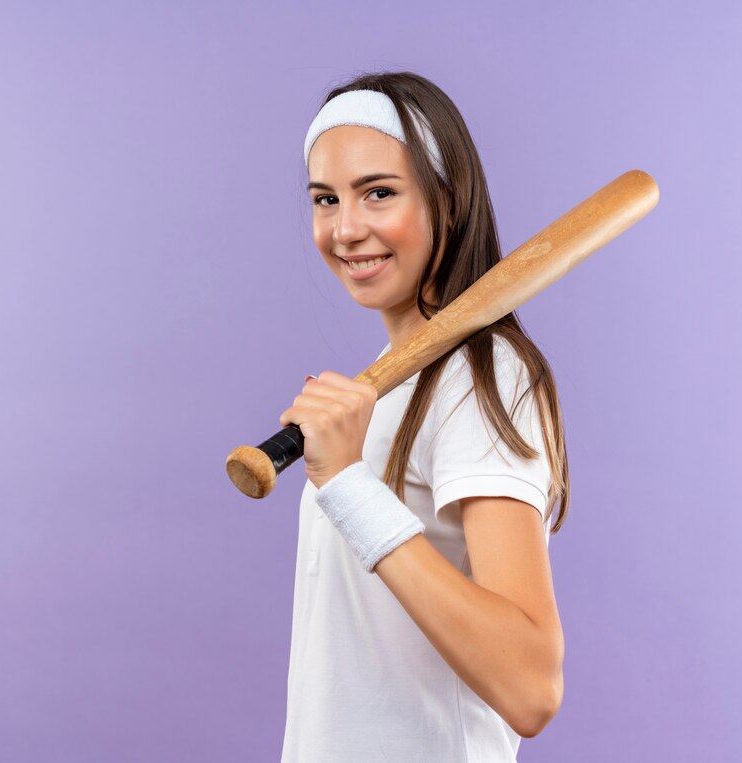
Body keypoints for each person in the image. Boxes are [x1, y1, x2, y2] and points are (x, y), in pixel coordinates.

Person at [278, 71, 571, 762]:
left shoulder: (483, 374)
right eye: (326, 198)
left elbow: (531, 684)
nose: (346, 229)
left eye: (379, 192)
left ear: (447, 199)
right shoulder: (381, 386)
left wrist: (349, 484)